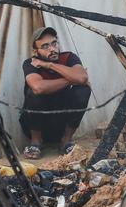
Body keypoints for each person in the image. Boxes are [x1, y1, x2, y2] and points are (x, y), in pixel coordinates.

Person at [20, 27, 91, 159]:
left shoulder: (69, 57)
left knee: (83, 89)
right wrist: (70, 79)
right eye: (45, 46)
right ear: (36, 51)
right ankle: (36, 143)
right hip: (36, 125)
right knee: (33, 94)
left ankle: (66, 141)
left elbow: (82, 78)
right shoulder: (31, 63)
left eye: (54, 43)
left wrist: (50, 65)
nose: (52, 49)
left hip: (61, 123)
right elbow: (38, 87)